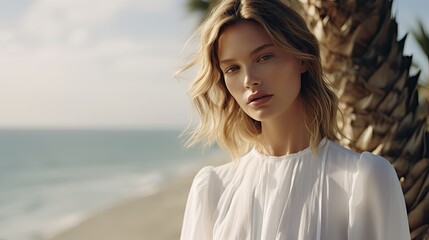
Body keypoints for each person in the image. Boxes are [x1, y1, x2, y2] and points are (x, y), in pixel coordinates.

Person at [177, 0, 411, 239]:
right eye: (232, 69)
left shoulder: (363, 180)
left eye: (264, 57)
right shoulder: (212, 189)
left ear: (302, 58)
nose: (249, 80)